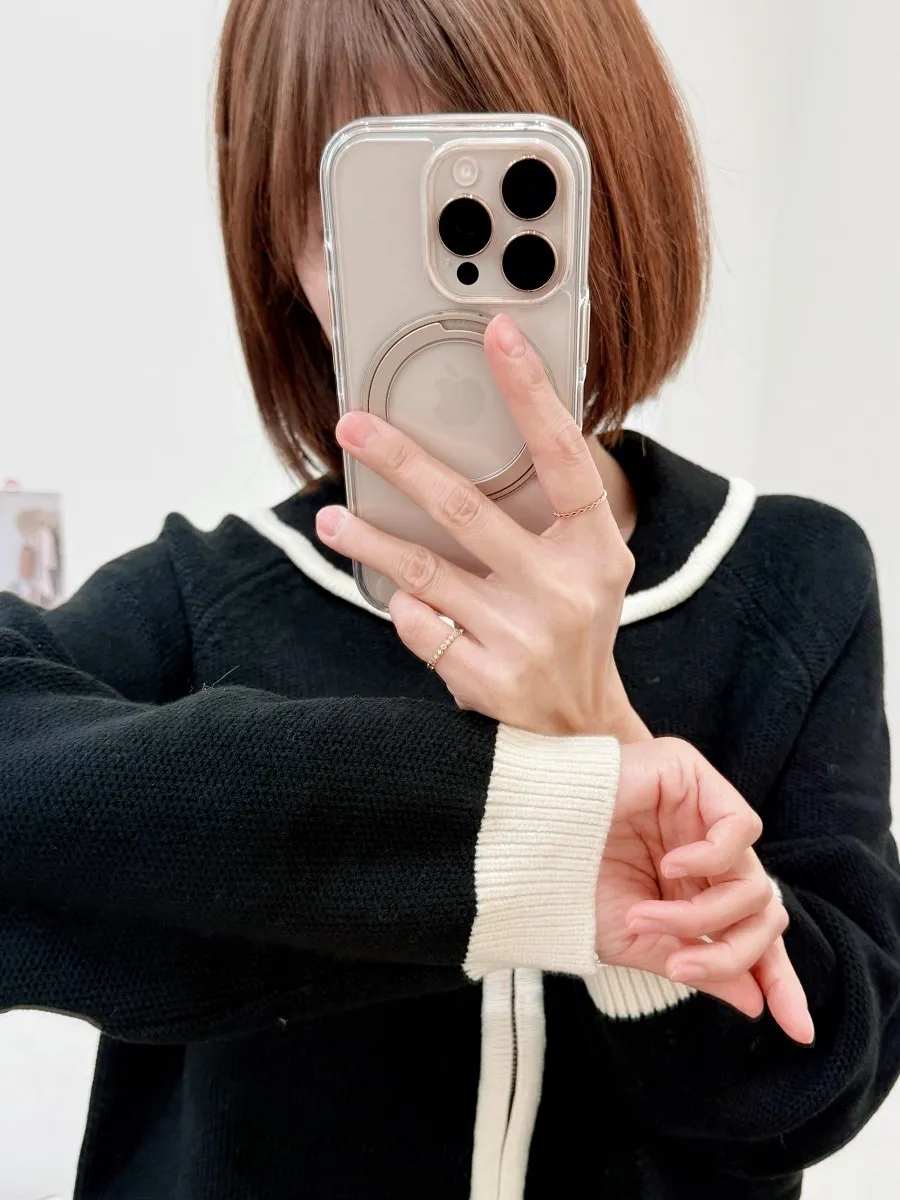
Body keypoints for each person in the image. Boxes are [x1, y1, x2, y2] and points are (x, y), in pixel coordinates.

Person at [1, 1, 897, 1197]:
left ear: (612, 192)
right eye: (360, 219)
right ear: (281, 256)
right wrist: (528, 830)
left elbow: (815, 1081)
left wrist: (598, 736)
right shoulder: (210, 593)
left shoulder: (787, 577)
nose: (444, 297)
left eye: (505, 203)